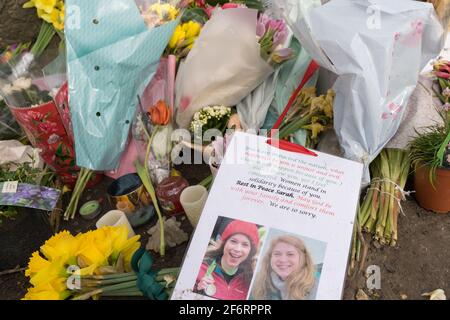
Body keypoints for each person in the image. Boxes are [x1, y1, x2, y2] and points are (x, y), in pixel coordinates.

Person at [195, 219, 260, 300]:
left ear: (250, 252)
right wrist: (197, 291)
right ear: (224, 244)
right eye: (233, 241)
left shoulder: (251, 279)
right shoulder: (199, 267)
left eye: (245, 245)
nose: (238, 249)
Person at [250, 235, 318, 300]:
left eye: (290, 254)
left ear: (302, 258)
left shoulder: (316, 286)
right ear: (270, 258)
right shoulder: (259, 282)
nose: (282, 260)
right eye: (277, 254)